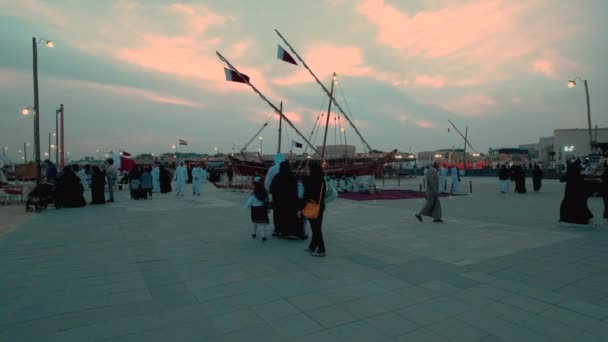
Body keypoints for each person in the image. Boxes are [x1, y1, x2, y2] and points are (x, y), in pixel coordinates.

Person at [300, 162, 327, 256]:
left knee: (316, 229)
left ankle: (321, 249)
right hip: (319, 206)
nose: (308, 170)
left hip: (313, 206)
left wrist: (301, 207)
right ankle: (312, 246)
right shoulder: (321, 179)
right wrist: (304, 176)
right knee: (316, 227)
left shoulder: (313, 180)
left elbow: (307, 193)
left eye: (308, 168)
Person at [270, 161, 300, 238]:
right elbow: (295, 190)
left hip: (278, 202)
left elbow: (271, 189)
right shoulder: (292, 177)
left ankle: (278, 231)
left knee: (278, 216)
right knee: (289, 216)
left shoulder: (277, 177)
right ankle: (289, 232)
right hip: (290, 202)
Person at [560, 161, 593, 225]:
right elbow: (586, 180)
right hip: (579, 192)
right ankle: (583, 218)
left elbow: (562, 179)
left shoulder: (570, 172)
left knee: (567, 206)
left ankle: (568, 218)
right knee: (581, 206)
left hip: (570, 192)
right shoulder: (580, 172)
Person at [244, 177, 270, 241]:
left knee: (254, 223)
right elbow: (267, 201)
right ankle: (263, 236)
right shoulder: (265, 193)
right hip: (262, 210)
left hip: (255, 211)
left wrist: (246, 206)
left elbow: (249, 203)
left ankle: (254, 233)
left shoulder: (253, 195)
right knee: (262, 224)